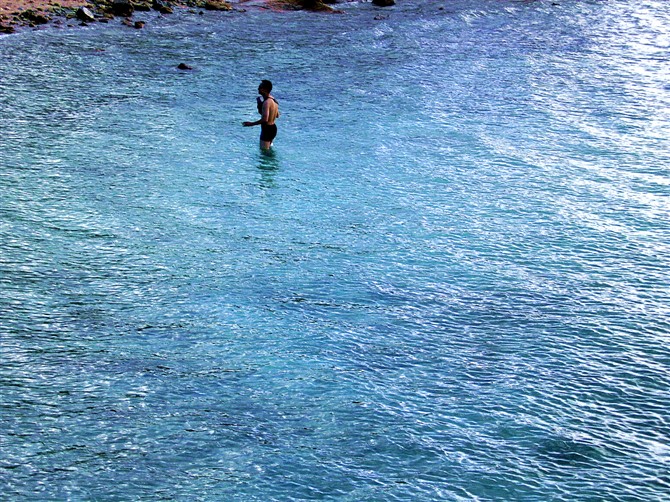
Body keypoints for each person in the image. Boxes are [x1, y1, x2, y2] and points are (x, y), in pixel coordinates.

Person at [243, 80, 279, 150]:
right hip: (273, 128)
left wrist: (251, 124)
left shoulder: (267, 102)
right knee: (268, 150)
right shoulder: (274, 100)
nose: (258, 89)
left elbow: (265, 119)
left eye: (260, 87)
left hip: (267, 129)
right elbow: (277, 115)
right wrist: (260, 107)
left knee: (264, 152)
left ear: (265, 89)